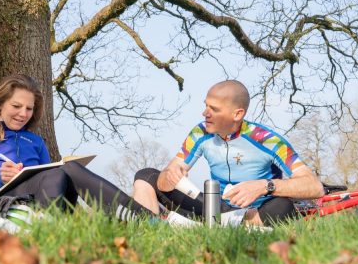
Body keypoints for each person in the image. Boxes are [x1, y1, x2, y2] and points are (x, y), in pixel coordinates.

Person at [0, 74, 153, 223]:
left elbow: (51, 179)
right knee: (61, 172)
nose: (23, 114)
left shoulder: (35, 141)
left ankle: (143, 220)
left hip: (43, 199)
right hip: (1, 205)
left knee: (64, 171)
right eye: (16, 106)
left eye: (29, 108)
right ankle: (147, 219)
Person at [133, 80, 324, 226]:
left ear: (237, 114)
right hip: (215, 208)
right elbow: (163, 183)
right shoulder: (200, 133)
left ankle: (230, 226)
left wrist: (264, 186)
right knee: (146, 176)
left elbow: (314, 187)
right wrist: (170, 176)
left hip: (255, 212)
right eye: (206, 105)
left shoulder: (267, 139)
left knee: (283, 206)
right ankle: (151, 229)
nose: (205, 113)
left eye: (213, 109)